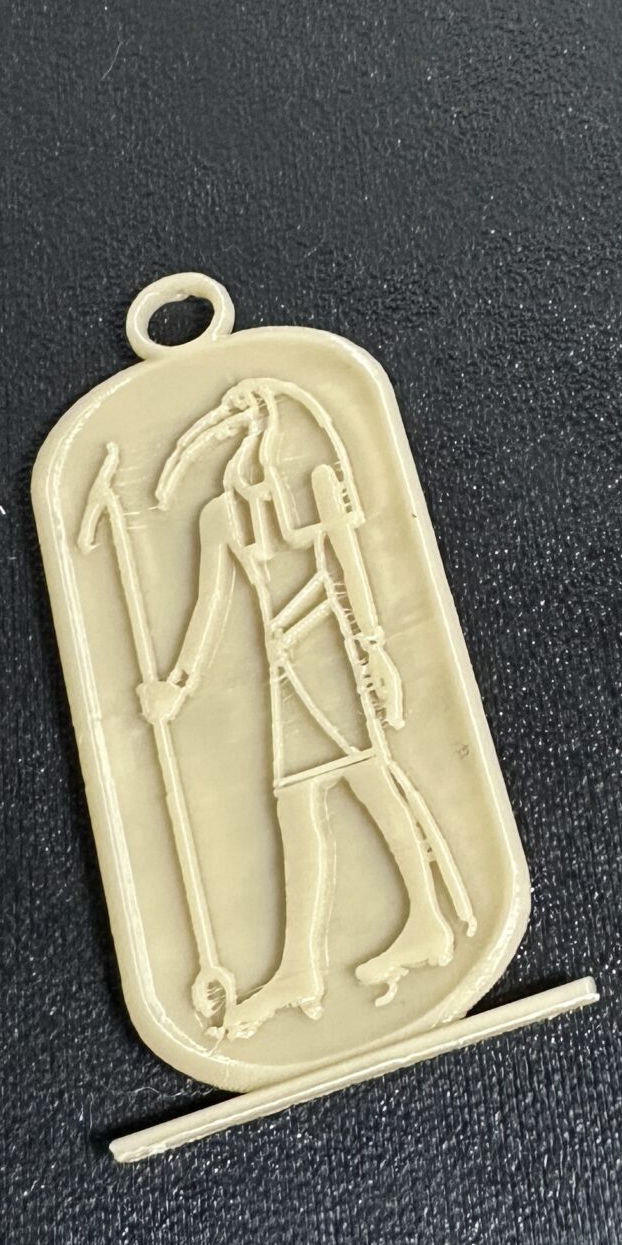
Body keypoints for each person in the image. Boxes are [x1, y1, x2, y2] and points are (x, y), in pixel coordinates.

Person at [138, 380, 473, 1036]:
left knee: (368, 781)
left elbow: (351, 563)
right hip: (282, 665)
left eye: (246, 414)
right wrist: (176, 683)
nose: (234, 429)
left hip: (330, 646)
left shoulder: (314, 480)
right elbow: (209, 605)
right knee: (299, 804)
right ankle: (301, 968)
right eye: (230, 418)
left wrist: (376, 649)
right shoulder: (221, 515)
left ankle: (424, 923)